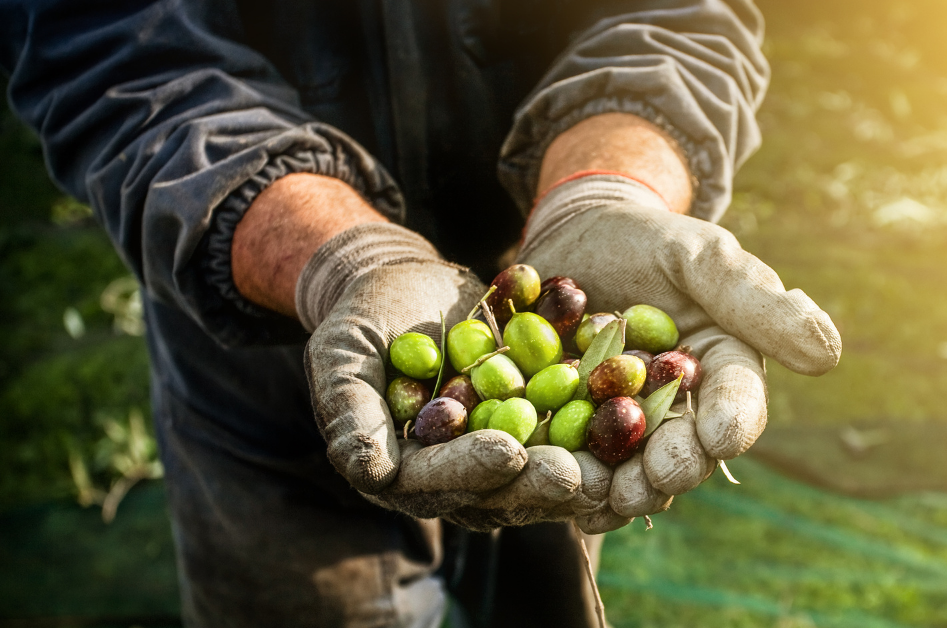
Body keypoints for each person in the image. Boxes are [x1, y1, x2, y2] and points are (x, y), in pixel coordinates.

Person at [1, 0, 840, 625]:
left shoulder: (559, 362)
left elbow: (673, 18)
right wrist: (345, 259)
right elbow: (119, 61)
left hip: (545, 255)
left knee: (545, 556)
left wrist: (608, 188)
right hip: (256, 343)